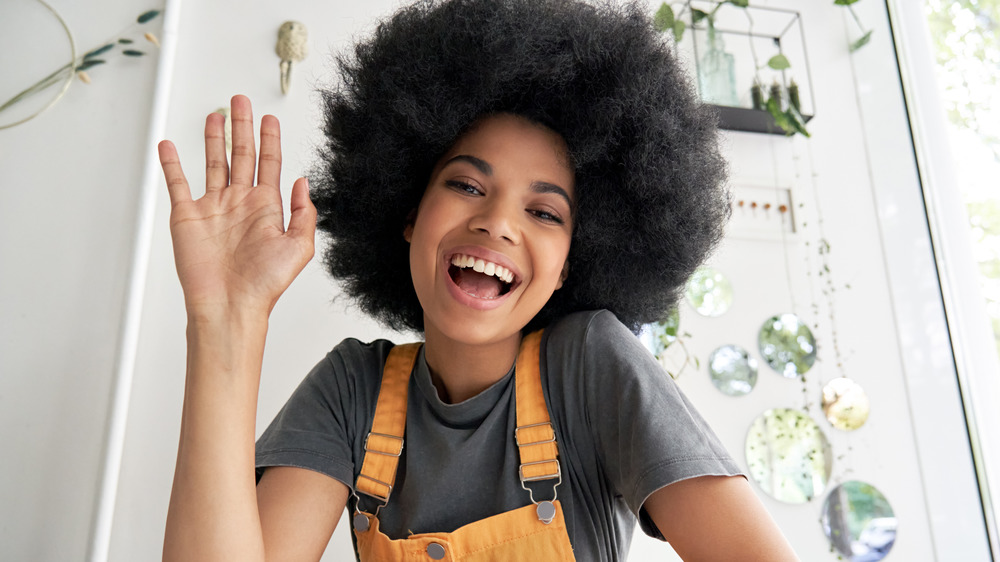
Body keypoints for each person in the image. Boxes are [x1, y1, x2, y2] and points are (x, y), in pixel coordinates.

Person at [157, 0, 799, 560]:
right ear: (409, 215)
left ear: (569, 265)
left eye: (545, 212)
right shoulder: (352, 391)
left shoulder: (588, 366)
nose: (496, 222)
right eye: (466, 184)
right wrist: (226, 315)